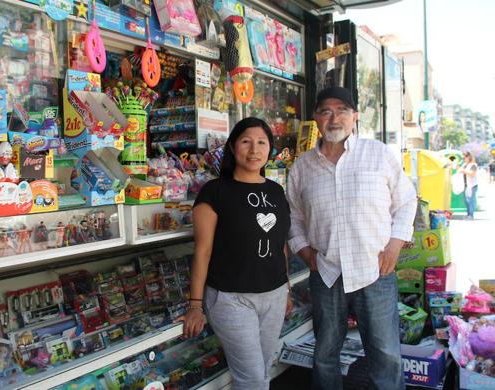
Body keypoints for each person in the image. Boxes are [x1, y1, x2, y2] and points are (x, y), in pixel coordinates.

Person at [286, 87, 417, 390]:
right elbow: (293, 216)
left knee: (385, 354)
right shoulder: (303, 167)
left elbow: (406, 201)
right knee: (325, 353)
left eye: (342, 110)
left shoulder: (378, 154)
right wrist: (306, 254)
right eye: (326, 111)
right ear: (316, 118)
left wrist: (394, 246)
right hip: (327, 273)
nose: (334, 118)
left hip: (375, 270)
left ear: (355, 116)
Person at [177, 117, 292, 390]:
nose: (255, 150)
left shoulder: (276, 191)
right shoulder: (214, 192)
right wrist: (195, 305)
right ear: (232, 147)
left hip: (274, 295)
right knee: (252, 380)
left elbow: (280, 245)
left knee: (264, 371)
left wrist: (285, 288)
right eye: (246, 142)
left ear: (270, 149)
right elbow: (202, 252)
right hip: (231, 300)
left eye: (262, 142)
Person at [460, 151, 478, 220]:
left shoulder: (473, 165)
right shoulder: (464, 165)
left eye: (464, 158)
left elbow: (472, 173)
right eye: (462, 158)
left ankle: (471, 215)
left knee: (471, 200)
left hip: (472, 185)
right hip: (465, 185)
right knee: (466, 200)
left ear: (469, 157)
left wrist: (463, 171)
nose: (463, 159)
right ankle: (468, 214)